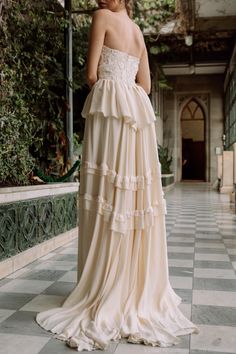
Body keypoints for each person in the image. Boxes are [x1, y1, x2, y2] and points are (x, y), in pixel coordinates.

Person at [36, 0, 199, 351]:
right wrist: (126, 89)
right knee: (129, 198)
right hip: (136, 116)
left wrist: (112, 88)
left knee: (106, 194)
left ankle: (104, 286)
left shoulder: (101, 17)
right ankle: (128, 285)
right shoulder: (137, 30)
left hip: (110, 112)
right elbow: (147, 84)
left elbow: (91, 75)